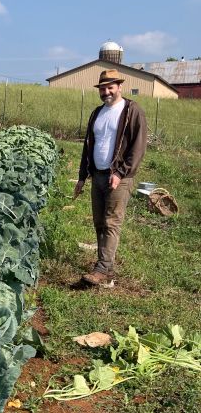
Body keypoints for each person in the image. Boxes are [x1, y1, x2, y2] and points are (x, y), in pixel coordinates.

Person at [73, 69, 147, 286]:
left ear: (119, 87)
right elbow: (88, 146)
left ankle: (103, 269)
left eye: (110, 87)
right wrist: (82, 176)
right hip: (97, 174)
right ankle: (104, 266)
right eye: (102, 88)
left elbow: (138, 147)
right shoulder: (97, 113)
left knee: (111, 221)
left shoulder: (131, 110)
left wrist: (121, 172)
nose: (106, 92)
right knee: (98, 222)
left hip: (118, 177)